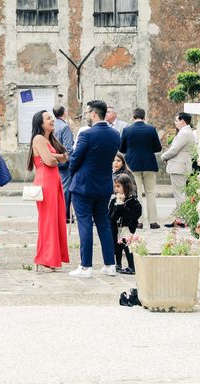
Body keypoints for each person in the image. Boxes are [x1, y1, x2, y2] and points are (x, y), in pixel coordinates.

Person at [68, 100, 120, 278]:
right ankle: (109, 264)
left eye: (89, 112)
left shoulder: (87, 135)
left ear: (94, 114)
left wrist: (72, 172)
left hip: (83, 185)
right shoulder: (115, 135)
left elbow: (75, 159)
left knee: (85, 224)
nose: (88, 115)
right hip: (104, 185)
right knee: (104, 224)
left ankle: (85, 267)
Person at [28, 110, 69, 272]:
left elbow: (64, 157)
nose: (52, 120)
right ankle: (45, 257)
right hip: (46, 182)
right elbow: (51, 161)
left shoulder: (50, 139)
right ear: (40, 123)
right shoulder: (38, 138)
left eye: (52, 117)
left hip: (54, 182)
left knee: (57, 219)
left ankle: (52, 258)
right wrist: (58, 156)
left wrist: (56, 156)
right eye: (48, 118)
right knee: (48, 221)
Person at [119, 108, 162, 229]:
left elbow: (122, 149)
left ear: (133, 117)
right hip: (149, 164)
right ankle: (153, 222)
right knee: (150, 193)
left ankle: (138, 221)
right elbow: (158, 148)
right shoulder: (151, 129)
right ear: (144, 117)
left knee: (136, 194)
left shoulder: (127, 130)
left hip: (133, 165)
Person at [161, 112, 196, 228]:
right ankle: (180, 218)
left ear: (182, 121)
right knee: (180, 193)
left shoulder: (184, 133)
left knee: (179, 194)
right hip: (181, 166)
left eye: (176, 121)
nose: (175, 123)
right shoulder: (186, 132)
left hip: (179, 167)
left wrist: (163, 156)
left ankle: (182, 219)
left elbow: (174, 150)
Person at [108, 173, 141, 274]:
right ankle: (118, 264)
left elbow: (134, 215)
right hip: (116, 228)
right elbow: (111, 217)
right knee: (117, 247)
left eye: (118, 186)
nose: (116, 189)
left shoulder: (133, 201)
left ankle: (132, 266)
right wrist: (118, 205)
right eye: (115, 186)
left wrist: (122, 205)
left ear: (126, 186)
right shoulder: (114, 200)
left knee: (127, 247)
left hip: (127, 228)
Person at [52, 105, 74, 223]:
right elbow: (68, 148)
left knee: (56, 189)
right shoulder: (64, 127)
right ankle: (64, 215)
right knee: (65, 190)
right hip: (63, 164)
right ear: (64, 112)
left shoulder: (52, 125)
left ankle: (58, 213)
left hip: (53, 161)